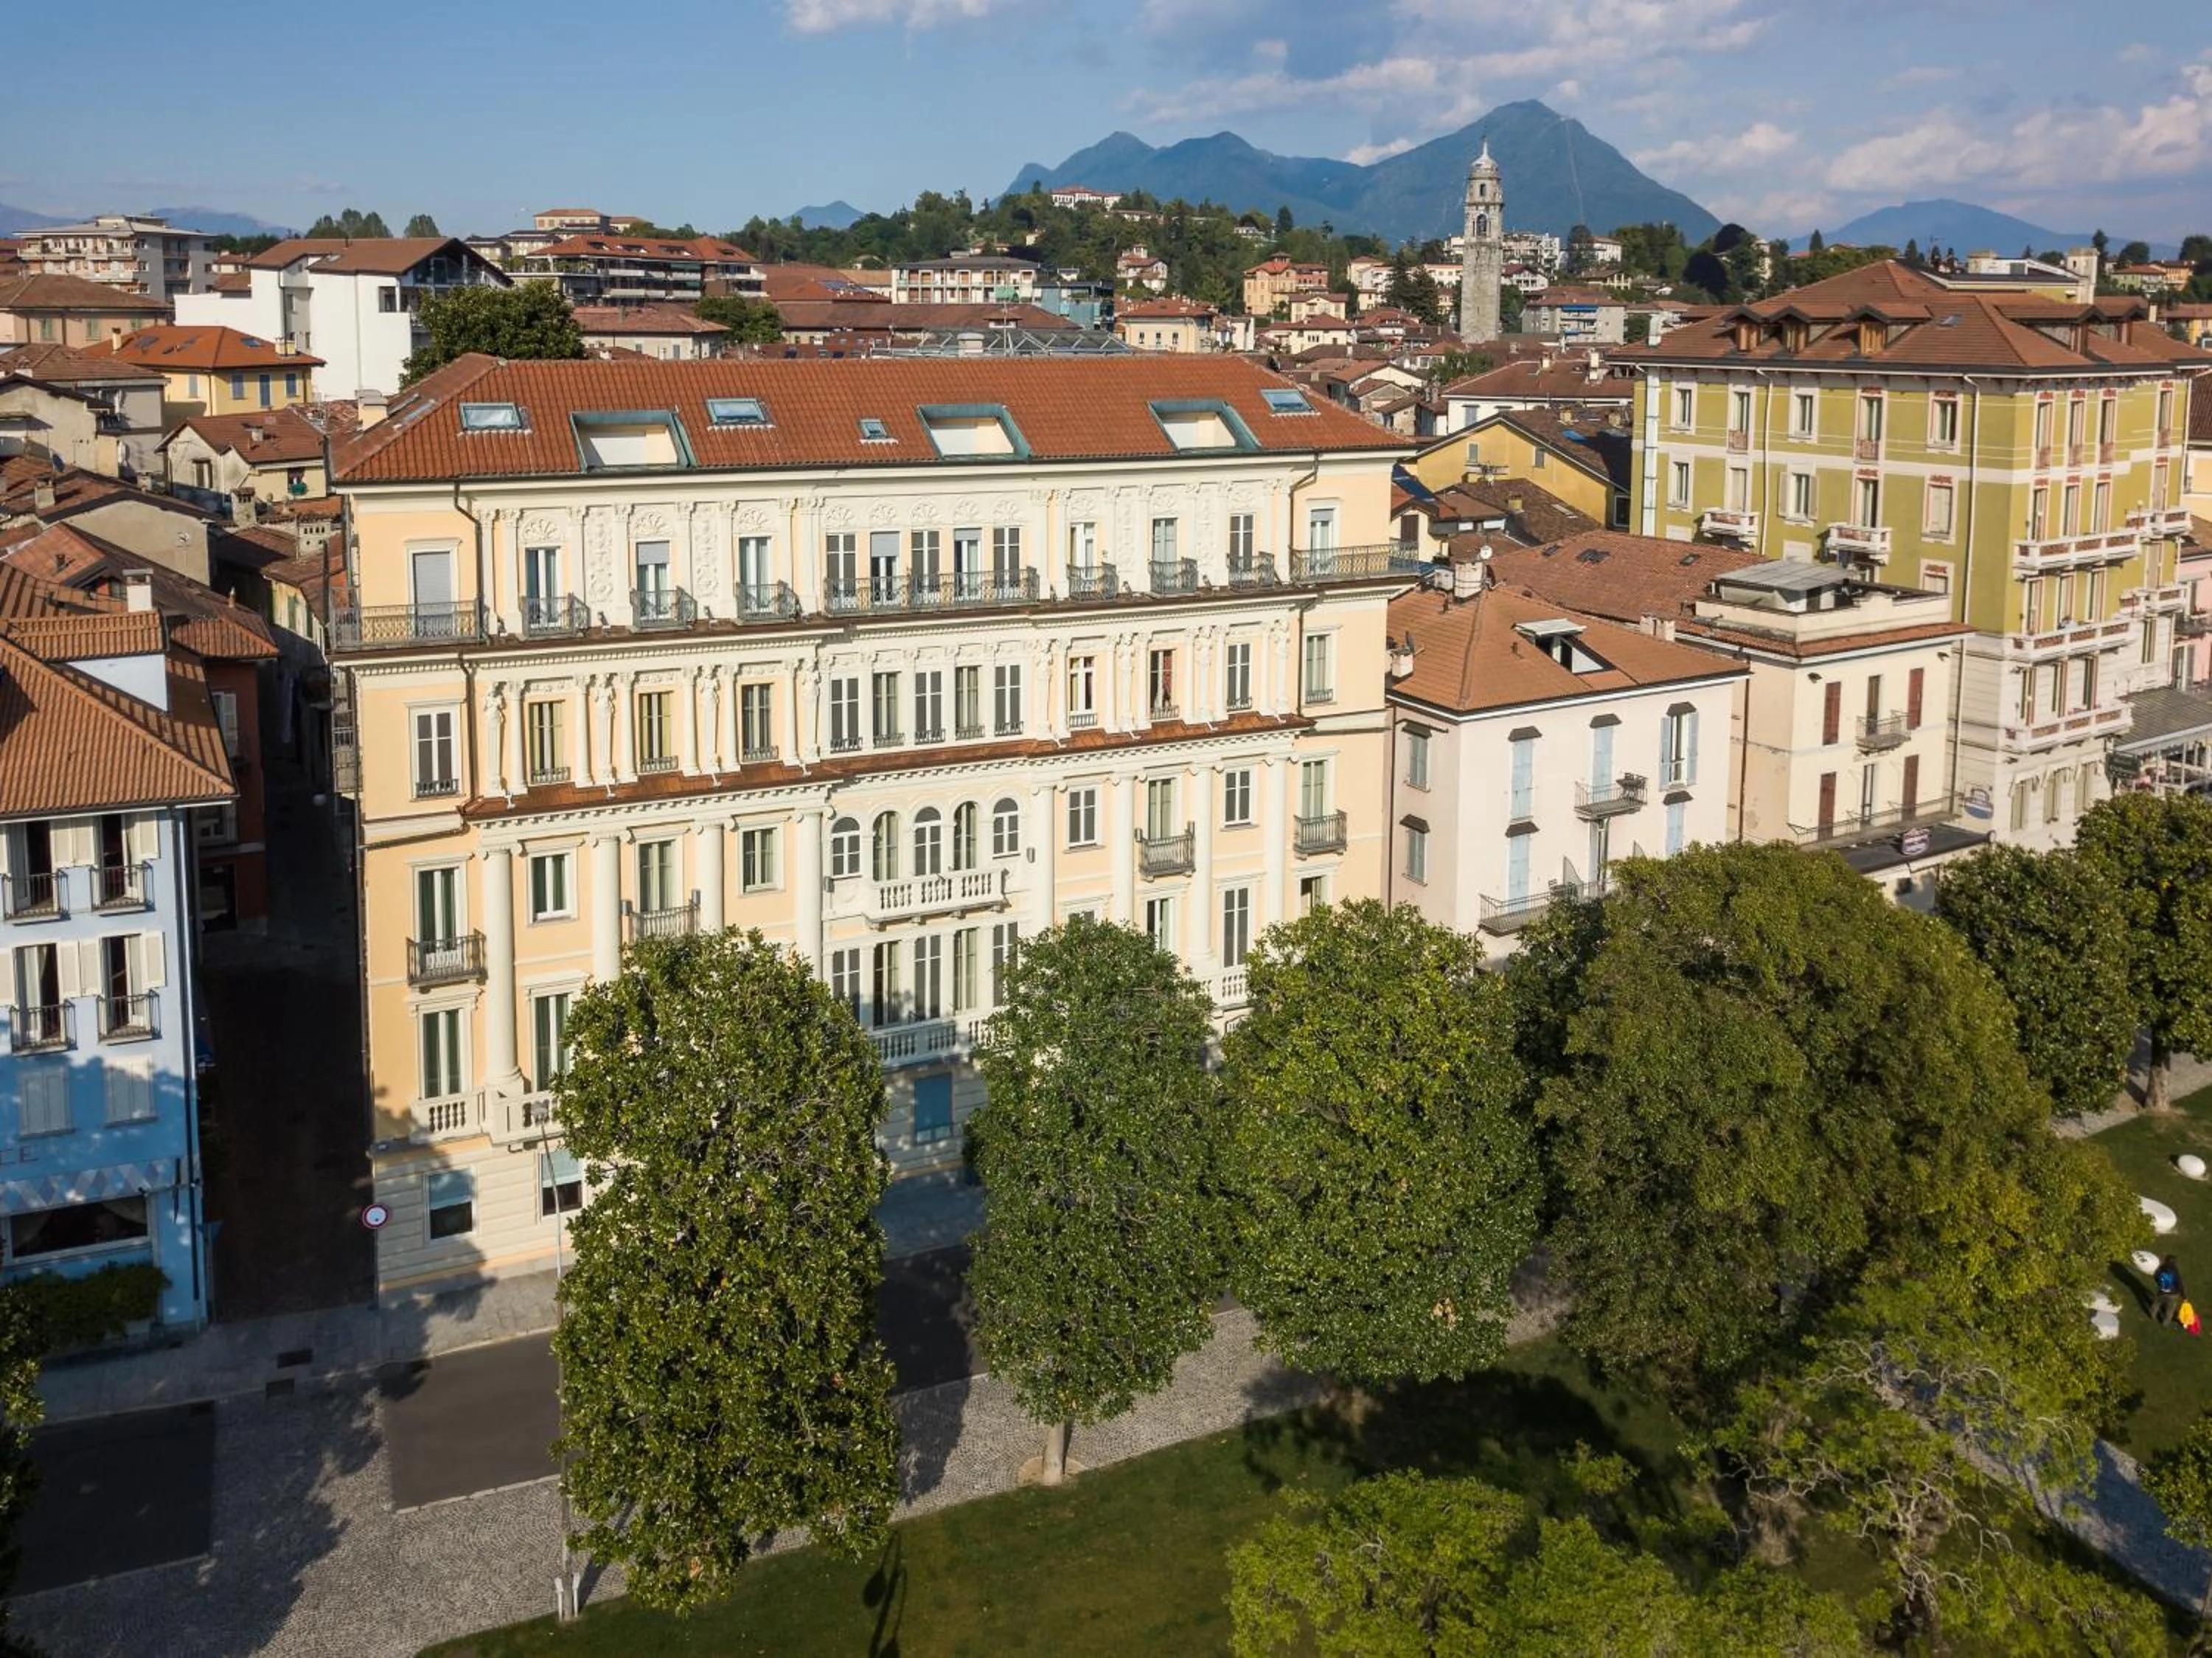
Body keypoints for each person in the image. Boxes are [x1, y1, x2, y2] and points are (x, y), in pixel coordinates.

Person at [2154, 1256, 2185, 1325]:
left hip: (2162, 1291)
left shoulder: (2161, 1268)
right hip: (2173, 1294)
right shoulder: (2175, 1272)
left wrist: (2159, 1284)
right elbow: (2179, 1285)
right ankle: (2165, 1323)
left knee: (2157, 1303)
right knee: (2170, 1310)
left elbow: (2156, 1276)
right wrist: (2184, 1296)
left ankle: (2152, 1314)